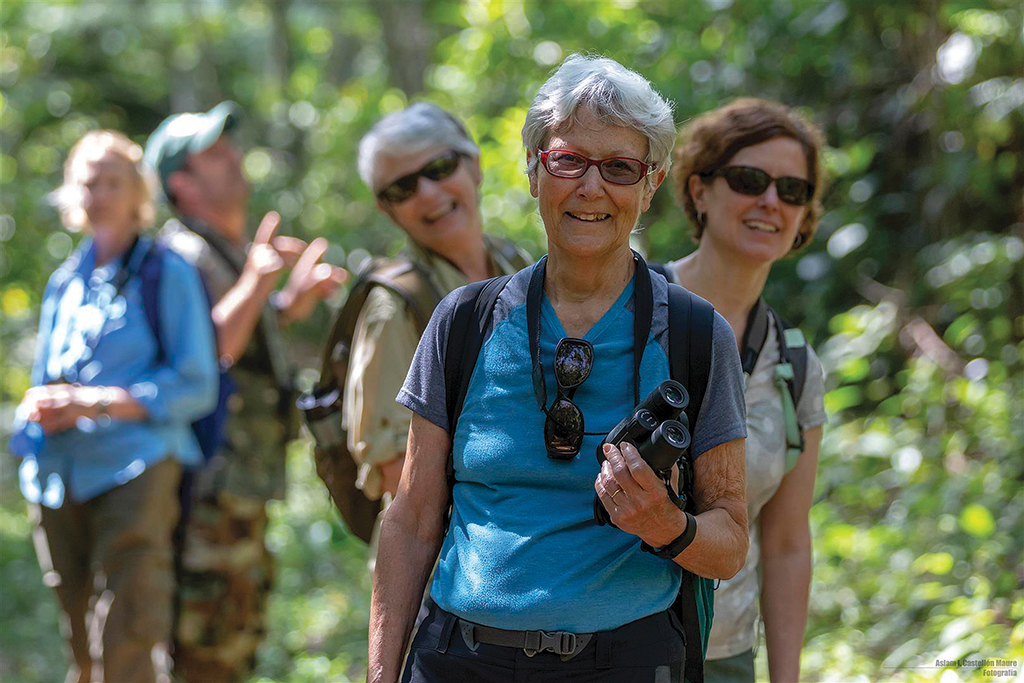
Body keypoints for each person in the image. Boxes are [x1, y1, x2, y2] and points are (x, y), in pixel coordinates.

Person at [368, 55, 749, 683]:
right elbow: (410, 521)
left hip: (626, 659)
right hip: (459, 659)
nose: (590, 188)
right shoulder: (464, 322)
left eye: (621, 168)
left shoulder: (694, 334)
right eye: (568, 160)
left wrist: (667, 526)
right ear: (533, 172)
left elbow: (729, 541)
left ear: (651, 186)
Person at [143, 102, 345, 682]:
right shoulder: (179, 254)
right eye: (213, 153)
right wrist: (259, 279)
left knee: (236, 639)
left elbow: (241, 342)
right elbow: (202, 353)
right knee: (203, 648)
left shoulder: (219, 251)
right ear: (181, 184)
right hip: (204, 491)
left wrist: (286, 305)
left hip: (240, 487)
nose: (233, 157)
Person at [9, 130, 219, 683]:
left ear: (137, 193)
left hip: (137, 466)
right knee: (79, 636)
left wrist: (94, 403)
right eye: (87, 181)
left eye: (112, 181)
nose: (98, 192)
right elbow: (45, 379)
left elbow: (196, 385)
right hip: (59, 474)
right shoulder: (65, 282)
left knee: (127, 631)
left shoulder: (166, 271)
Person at [308, 103, 530, 550]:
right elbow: (393, 468)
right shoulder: (393, 307)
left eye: (440, 167)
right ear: (385, 208)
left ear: (475, 165)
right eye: (403, 188)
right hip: (447, 561)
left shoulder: (517, 264)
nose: (428, 193)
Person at [662, 97, 828, 683]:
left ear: (805, 218)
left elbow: (784, 543)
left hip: (724, 656)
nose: (771, 202)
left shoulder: (796, 366)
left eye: (793, 190)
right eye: (750, 179)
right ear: (699, 189)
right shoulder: (624, 310)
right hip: (597, 649)